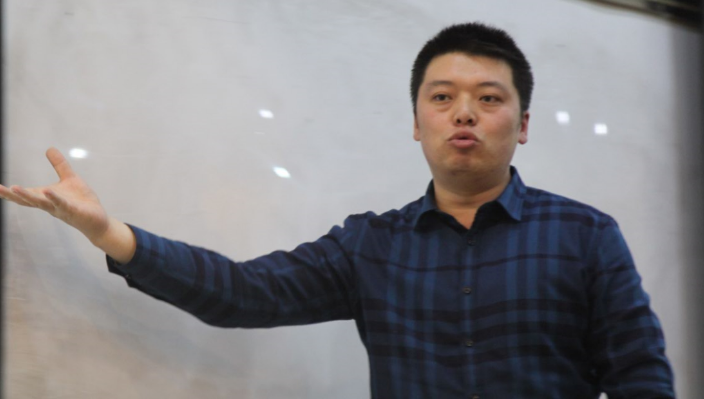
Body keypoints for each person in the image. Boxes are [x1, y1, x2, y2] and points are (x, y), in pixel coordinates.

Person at [0, 22, 675, 398]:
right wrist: (110, 232)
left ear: (522, 125)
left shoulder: (585, 235)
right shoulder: (370, 244)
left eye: (489, 98)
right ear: (416, 122)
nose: (464, 112)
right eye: (442, 97)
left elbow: (641, 377)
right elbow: (243, 292)